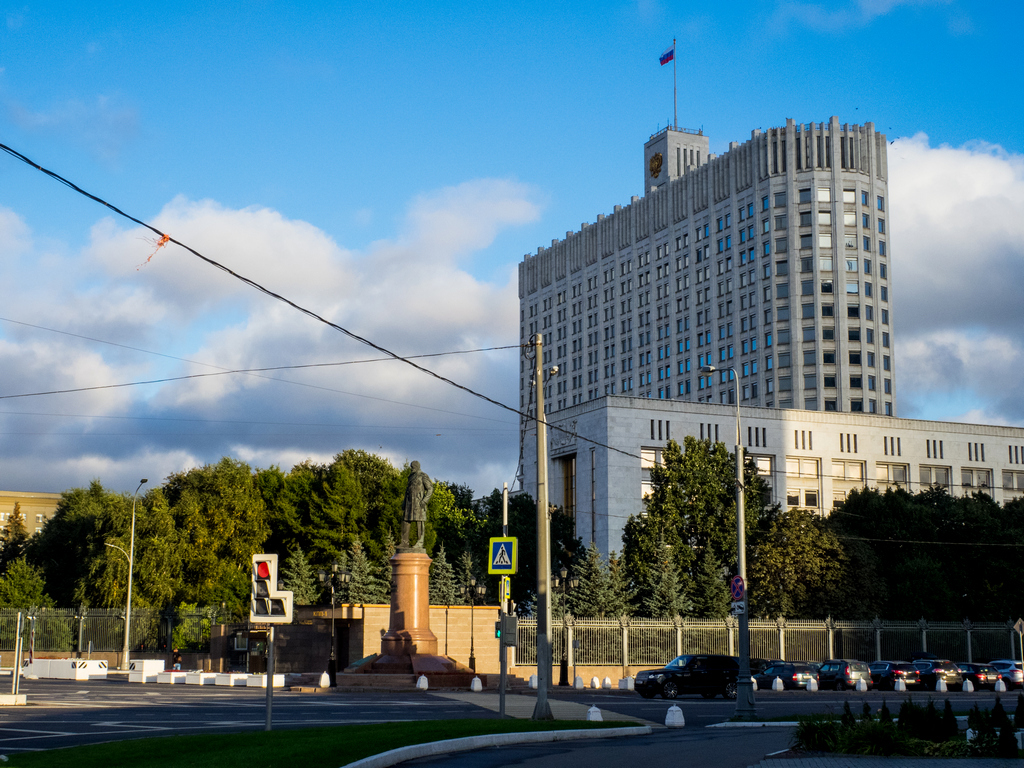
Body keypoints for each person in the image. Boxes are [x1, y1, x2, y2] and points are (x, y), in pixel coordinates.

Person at [401, 461, 433, 550]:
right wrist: (404, 503)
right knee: (406, 520)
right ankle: (404, 542)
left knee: (420, 521)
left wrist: (425, 501)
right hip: (409, 502)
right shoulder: (410, 477)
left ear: (417, 466)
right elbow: (407, 491)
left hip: (419, 503)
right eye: (411, 467)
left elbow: (430, 489)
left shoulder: (422, 475)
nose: (411, 468)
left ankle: (420, 542)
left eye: (413, 467)